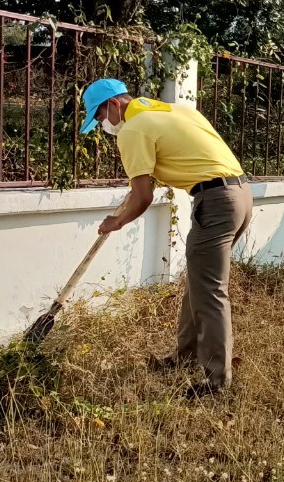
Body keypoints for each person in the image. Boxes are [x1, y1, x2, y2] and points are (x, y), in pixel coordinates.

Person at [80, 79, 251, 398]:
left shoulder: (133, 129)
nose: (103, 125)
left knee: (210, 292)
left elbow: (143, 197)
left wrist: (117, 221)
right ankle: (184, 357)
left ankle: (217, 382)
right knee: (199, 284)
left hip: (216, 202)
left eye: (100, 116)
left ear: (114, 104)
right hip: (240, 195)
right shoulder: (175, 112)